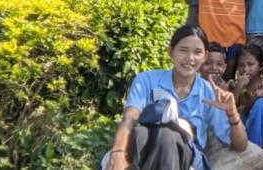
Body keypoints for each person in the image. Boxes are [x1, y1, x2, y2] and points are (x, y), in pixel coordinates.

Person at [105, 25, 248, 170]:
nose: (190, 58)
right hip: (145, 147)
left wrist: (232, 113)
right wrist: (118, 153)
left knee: (166, 135)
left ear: (205, 56)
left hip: (185, 157)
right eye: (183, 50)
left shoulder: (208, 92)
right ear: (171, 51)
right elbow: (129, 119)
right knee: (140, 133)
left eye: (197, 52)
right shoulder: (146, 80)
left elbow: (241, 145)